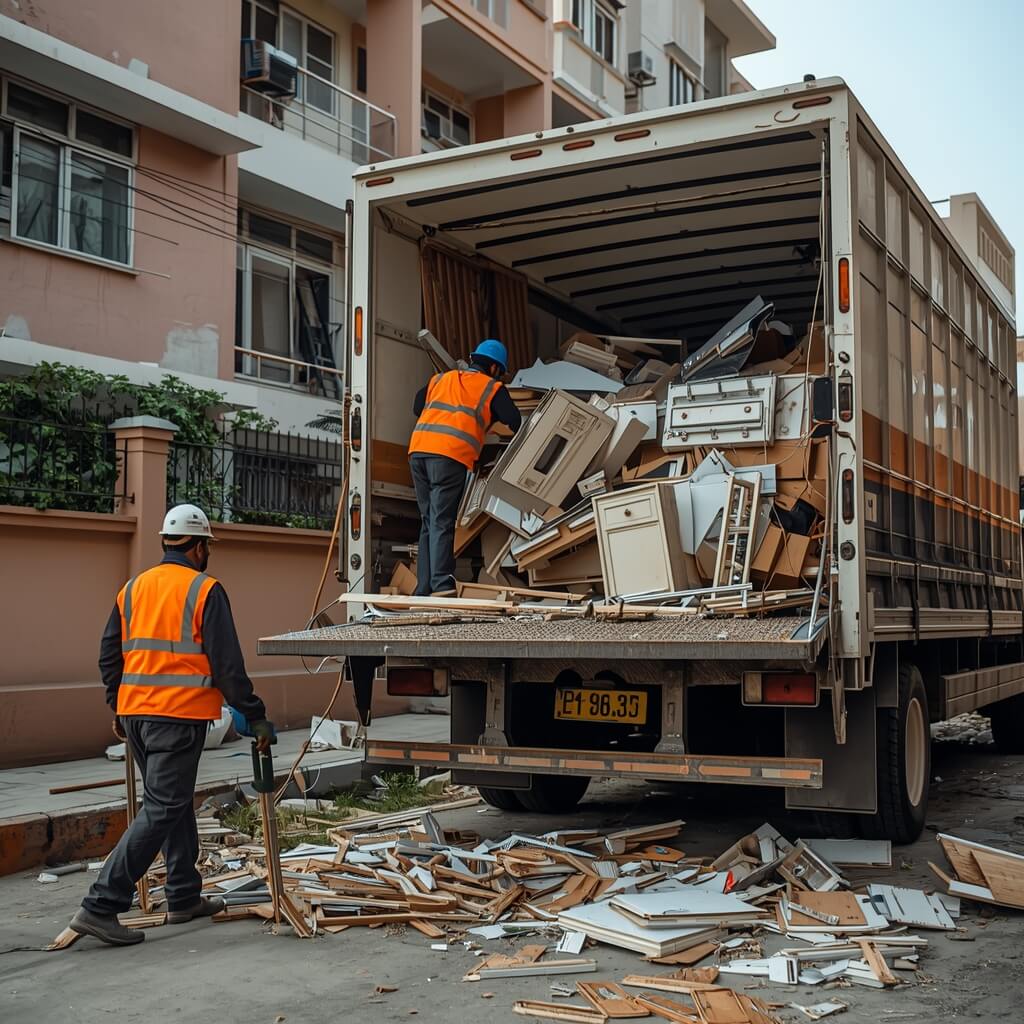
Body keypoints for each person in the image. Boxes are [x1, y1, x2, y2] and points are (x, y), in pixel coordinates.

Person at [68, 504, 274, 947]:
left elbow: (109, 655)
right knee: (164, 806)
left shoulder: (133, 588)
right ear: (198, 547)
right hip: (177, 717)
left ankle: (183, 895)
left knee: (173, 802)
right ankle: (100, 905)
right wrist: (255, 716)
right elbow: (227, 666)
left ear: (165, 542)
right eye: (208, 547)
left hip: (137, 717)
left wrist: (118, 706)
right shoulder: (205, 589)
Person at [408, 339, 522, 596]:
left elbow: (416, 406)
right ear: (494, 368)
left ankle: (423, 587)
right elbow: (514, 419)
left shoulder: (441, 379)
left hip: (418, 451)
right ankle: (442, 584)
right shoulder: (492, 387)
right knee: (442, 521)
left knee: (428, 521)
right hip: (449, 456)